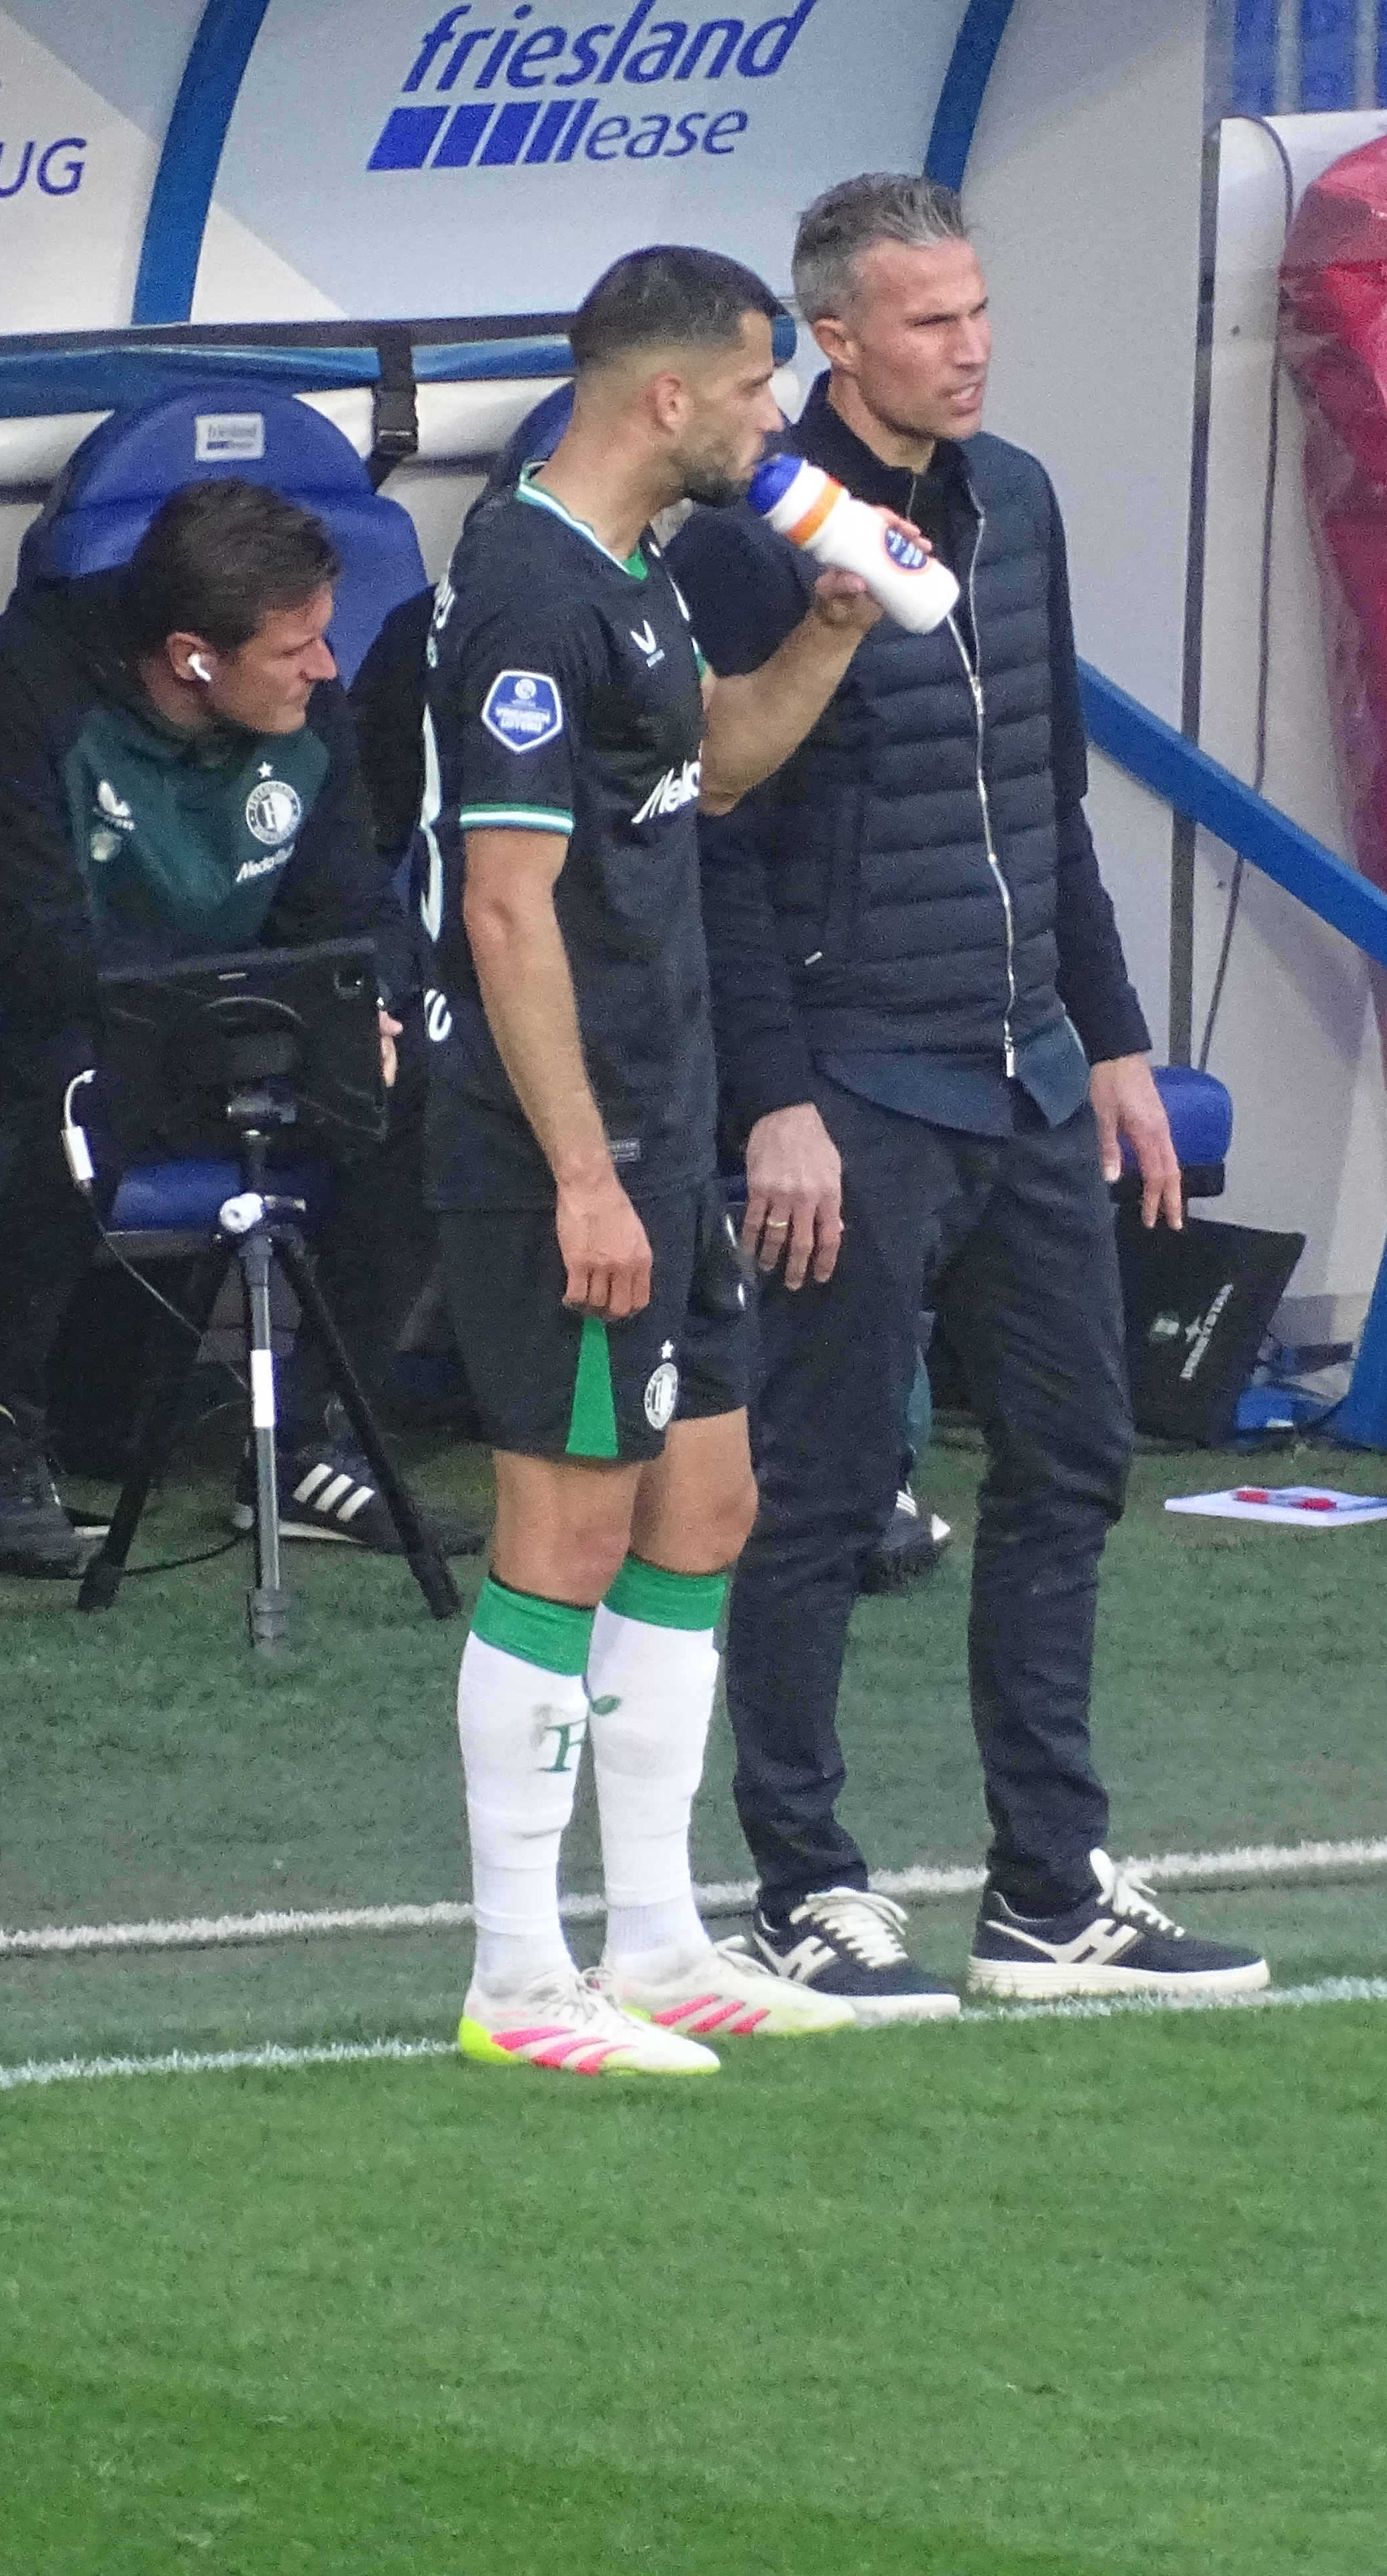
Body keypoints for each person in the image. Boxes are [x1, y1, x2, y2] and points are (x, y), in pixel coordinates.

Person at [667, 174, 1268, 2012]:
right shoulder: (745, 554)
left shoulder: (1017, 504)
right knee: (828, 1491)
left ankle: (1050, 1882)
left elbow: (1045, 795)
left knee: (1076, 1460)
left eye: (981, 311)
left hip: (1018, 1077)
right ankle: (806, 1882)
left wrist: (1113, 1040)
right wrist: (773, 1101)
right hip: (854, 1084)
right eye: (933, 322)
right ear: (832, 340)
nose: (974, 347)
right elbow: (717, 849)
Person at [421, 245, 884, 2076]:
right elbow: (509, 911)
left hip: (664, 1121)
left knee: (708, 1509)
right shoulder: (528, 594)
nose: (782, 421)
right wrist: (586, 1177)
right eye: (762, 385)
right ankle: (520, 1976)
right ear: (668, 398)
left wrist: (829, 634)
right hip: (571, 1143)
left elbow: (713, 771)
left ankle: (665, 1941)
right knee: (569, 1526)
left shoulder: (634, 579)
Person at [0, 478, 461, 1575]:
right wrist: (243, 1020)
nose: (324, 667)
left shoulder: (308, 713)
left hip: (197, 1031)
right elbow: (28, 945)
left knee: (428, 1080)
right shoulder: (19, 688)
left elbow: (351, 910)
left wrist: (367, 1012)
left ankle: (308, 1446)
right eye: (295, 647)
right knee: (82, 1074)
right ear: (191, 656)